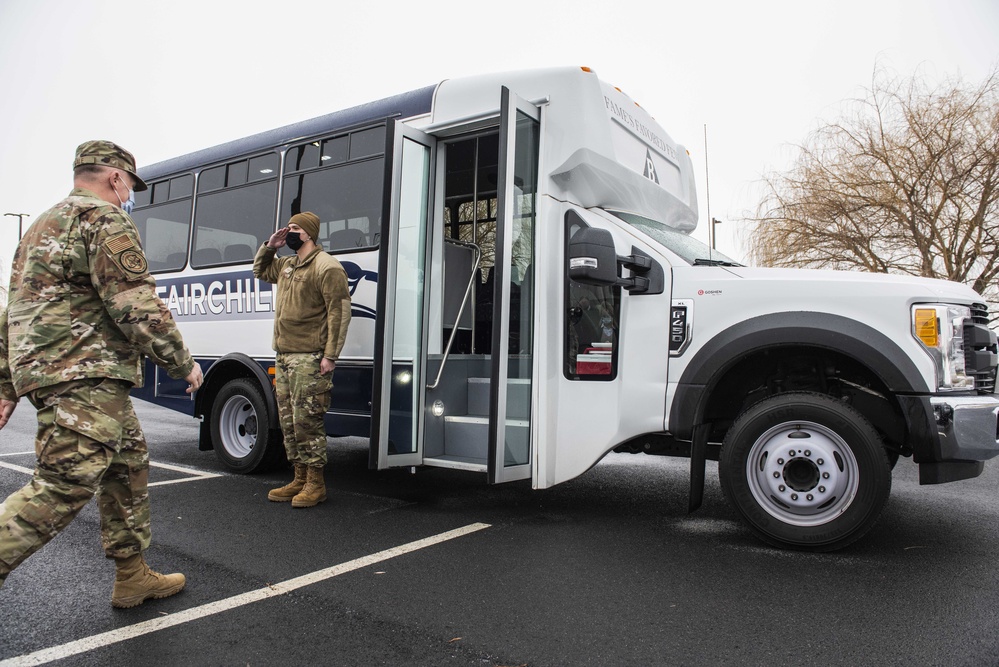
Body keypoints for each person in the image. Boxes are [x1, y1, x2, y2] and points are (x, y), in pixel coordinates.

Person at [0, 140, 203, 608]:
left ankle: (132, 576)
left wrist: (6, 383)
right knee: (64, 482)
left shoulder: (38, 228)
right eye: (130, 184)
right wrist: (182, 363)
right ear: (115, 178)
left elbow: (13, 311)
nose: (130, 193)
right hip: (84, 372)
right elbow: (135, 303)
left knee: (127, 462)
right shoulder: (104, 219)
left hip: (58, 371)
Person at [253, 212, 351, 508]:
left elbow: (339, 313)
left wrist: (330, 355)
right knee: (288, 421)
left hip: (310, 358)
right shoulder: (287, 264)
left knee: (307, 420)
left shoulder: (327, 267)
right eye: (289, 227)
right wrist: (270, 246)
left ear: (308, 234)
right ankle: (298, 476)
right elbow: (260, 270)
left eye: (295, 229)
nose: (290, 232)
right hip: (284, 355)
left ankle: (315, 483)